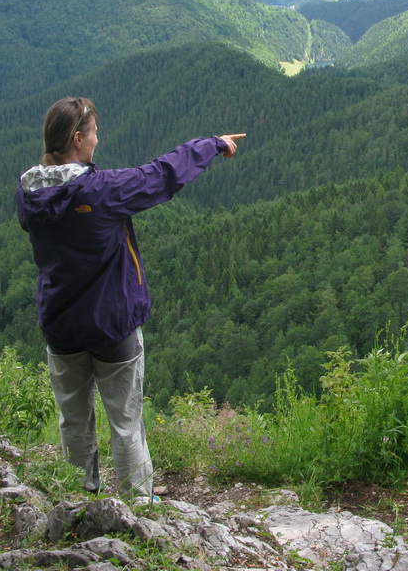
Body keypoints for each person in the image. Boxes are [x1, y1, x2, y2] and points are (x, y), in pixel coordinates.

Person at [15, 96, 244, 498]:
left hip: (61, 322)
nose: (97, 140)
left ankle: (77, 496)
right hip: (112, 322)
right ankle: (137, 505)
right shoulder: (100, 190)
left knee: (73, 419)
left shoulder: (28, 192)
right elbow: (159, 176)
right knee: (125, 422)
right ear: (77, 138)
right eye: (94, 133)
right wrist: (211, 145)